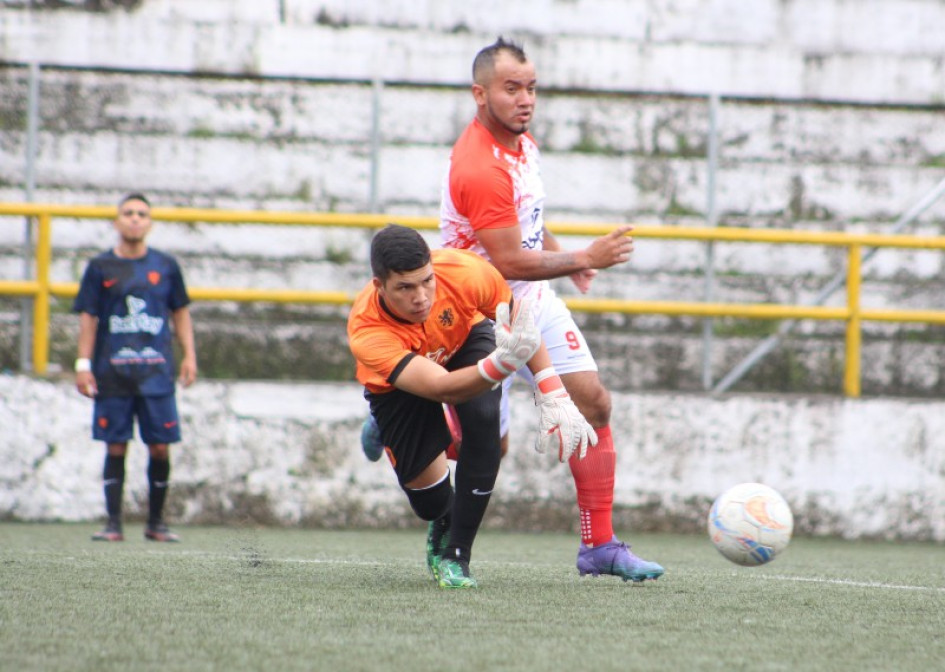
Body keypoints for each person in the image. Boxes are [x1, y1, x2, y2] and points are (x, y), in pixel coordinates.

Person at [438, 37, 664, 582]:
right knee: (484, 446)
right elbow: (509, 259)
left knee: (594, 404)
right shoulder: (478, 166)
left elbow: (527, 223)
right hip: (480, 313)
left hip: (532, 301)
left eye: (532, 87)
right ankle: (400, 407)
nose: (525, 99)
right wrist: (583, 256)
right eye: (511, 88)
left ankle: (599, 547)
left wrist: (565, 256)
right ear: (480, 93)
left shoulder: (522, 145)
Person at [347, 224, 596, 589]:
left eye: (426, 281)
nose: (421, 297)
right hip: (405, 384)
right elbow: (443, 388)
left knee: (483, 420)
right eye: (405, 287)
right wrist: (500, 365)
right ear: (378, 285)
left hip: (464, 340)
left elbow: (523, 326)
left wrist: (551, 391)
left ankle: (457, 555)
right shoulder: (367, 331)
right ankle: (385, 429)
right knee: (430, 504)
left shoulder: (466, 272)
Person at [74, 192, 197, 543]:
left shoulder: (166, 266)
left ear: (150, 223)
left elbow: (180, 312)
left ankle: (155, 522)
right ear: (116, 222)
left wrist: (189, 354)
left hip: (156, 374)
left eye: (141, 213)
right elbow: (88, 318)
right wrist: (83, 365)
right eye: (128, 213)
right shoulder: (100, 267)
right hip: (113, 373)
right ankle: (113, 523)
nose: (134, 218)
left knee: (160, 446)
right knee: (115, 445)